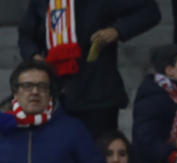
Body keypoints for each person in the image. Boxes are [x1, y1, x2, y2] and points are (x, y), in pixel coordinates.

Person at [17, 0, 161, 138]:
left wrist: (117, 30)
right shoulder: (42, 1)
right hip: (56, 96)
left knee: (98, 155)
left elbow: (149, 11)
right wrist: (34, 56)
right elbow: (26, 35)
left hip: (97, 95)